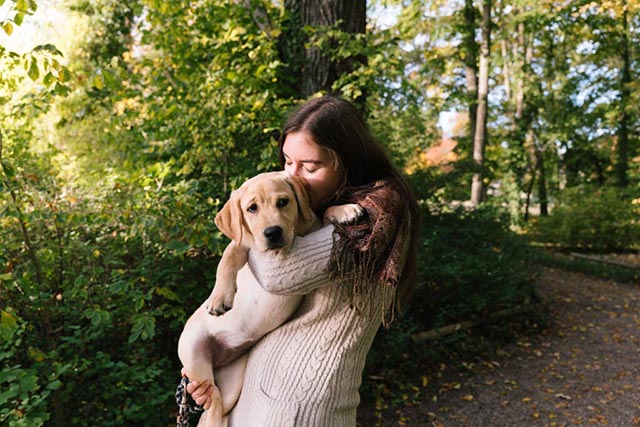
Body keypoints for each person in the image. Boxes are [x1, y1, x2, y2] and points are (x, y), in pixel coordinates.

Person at [186, 95, 420, 426]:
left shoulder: (377, 210)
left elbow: (280, 272)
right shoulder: (317, 206)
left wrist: (252, 229)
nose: (293, 176)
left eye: (309, 167)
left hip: (300, 408)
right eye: (287, 162)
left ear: (347, 162)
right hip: (255, 396)